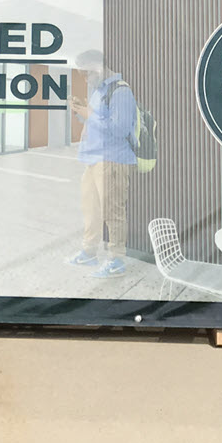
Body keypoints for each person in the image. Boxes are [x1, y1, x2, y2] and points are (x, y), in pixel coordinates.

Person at [68, 49, 137, 278]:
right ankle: (89, 252)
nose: (85, 78)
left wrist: (90, 114)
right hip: (93, 158)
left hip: (112, 160)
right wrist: (81, 112)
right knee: (91, 209)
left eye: (87, 73)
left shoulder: (120, 91)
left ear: (98, 66)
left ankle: (116, 260)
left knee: (113, 211)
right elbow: (96, 122)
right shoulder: (99, 91)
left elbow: (120, 129)